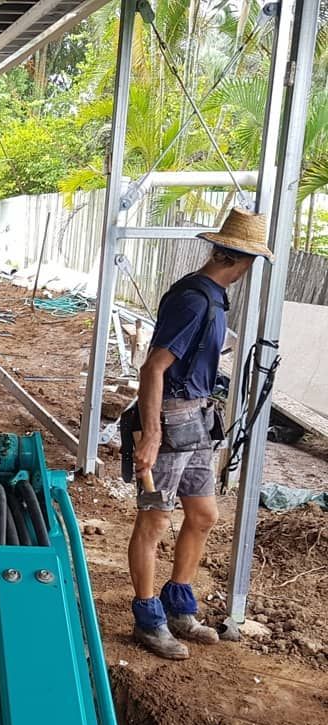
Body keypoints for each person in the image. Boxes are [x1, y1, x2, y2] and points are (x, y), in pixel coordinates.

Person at [127, 208, 274, 660]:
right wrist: (150, 434)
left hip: (195, 423)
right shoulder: (195, 300)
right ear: (243, 261)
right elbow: (153, 367)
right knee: (154, 520)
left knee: (204, 514)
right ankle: (148, 618)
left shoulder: (211, 297)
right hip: (170, 423)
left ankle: (178, 605)